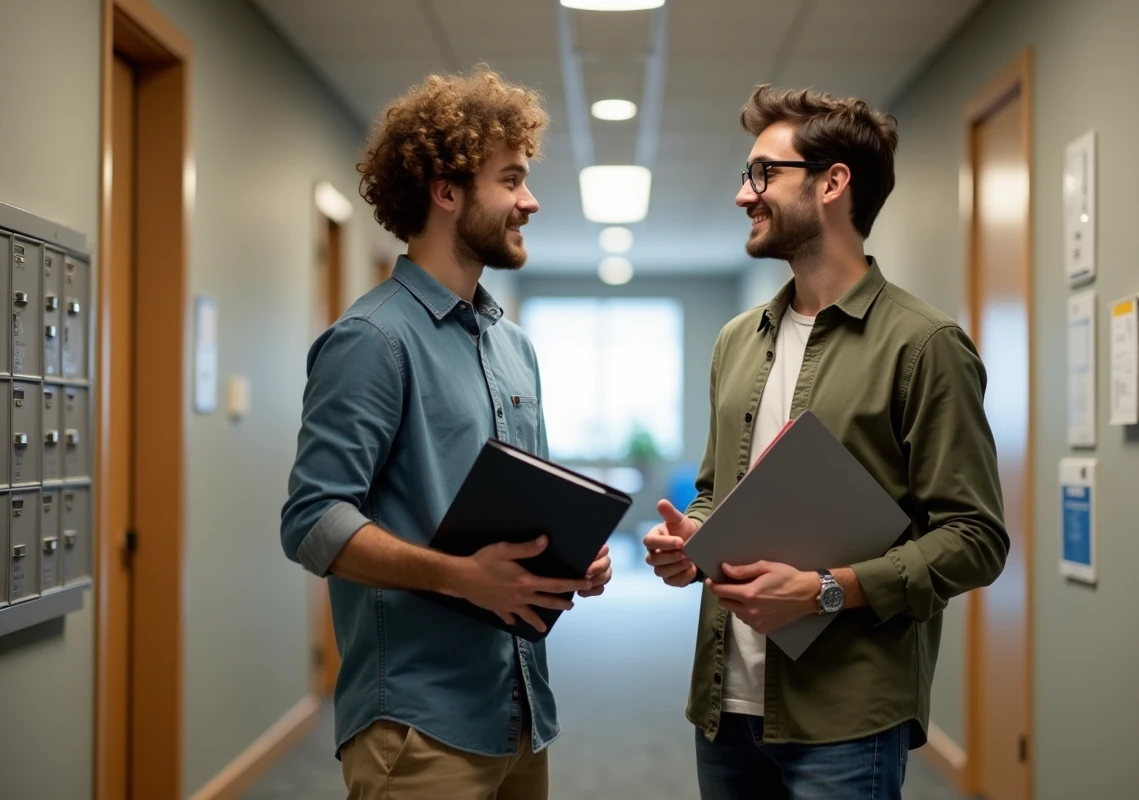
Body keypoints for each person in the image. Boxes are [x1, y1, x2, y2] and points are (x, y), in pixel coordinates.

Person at [643, 84, 1009, 800]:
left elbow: (975, 538)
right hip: (725, 708)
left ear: (832, 182)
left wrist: (824, 593)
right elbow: (720, 491)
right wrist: (696, 541)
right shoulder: (735, 342)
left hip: (847, 716)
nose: (743, 195)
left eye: (762, 173)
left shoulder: (924, 345)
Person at [280, 66, 612, 800]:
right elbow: (312, 521)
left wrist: (572, 559)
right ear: (447, 191)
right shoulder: (371, 339)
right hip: (418, 728)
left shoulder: (511, 344)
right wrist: (458, 575)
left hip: (520, 710)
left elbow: (528, 507)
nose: (530, 200)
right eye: (512, 179)